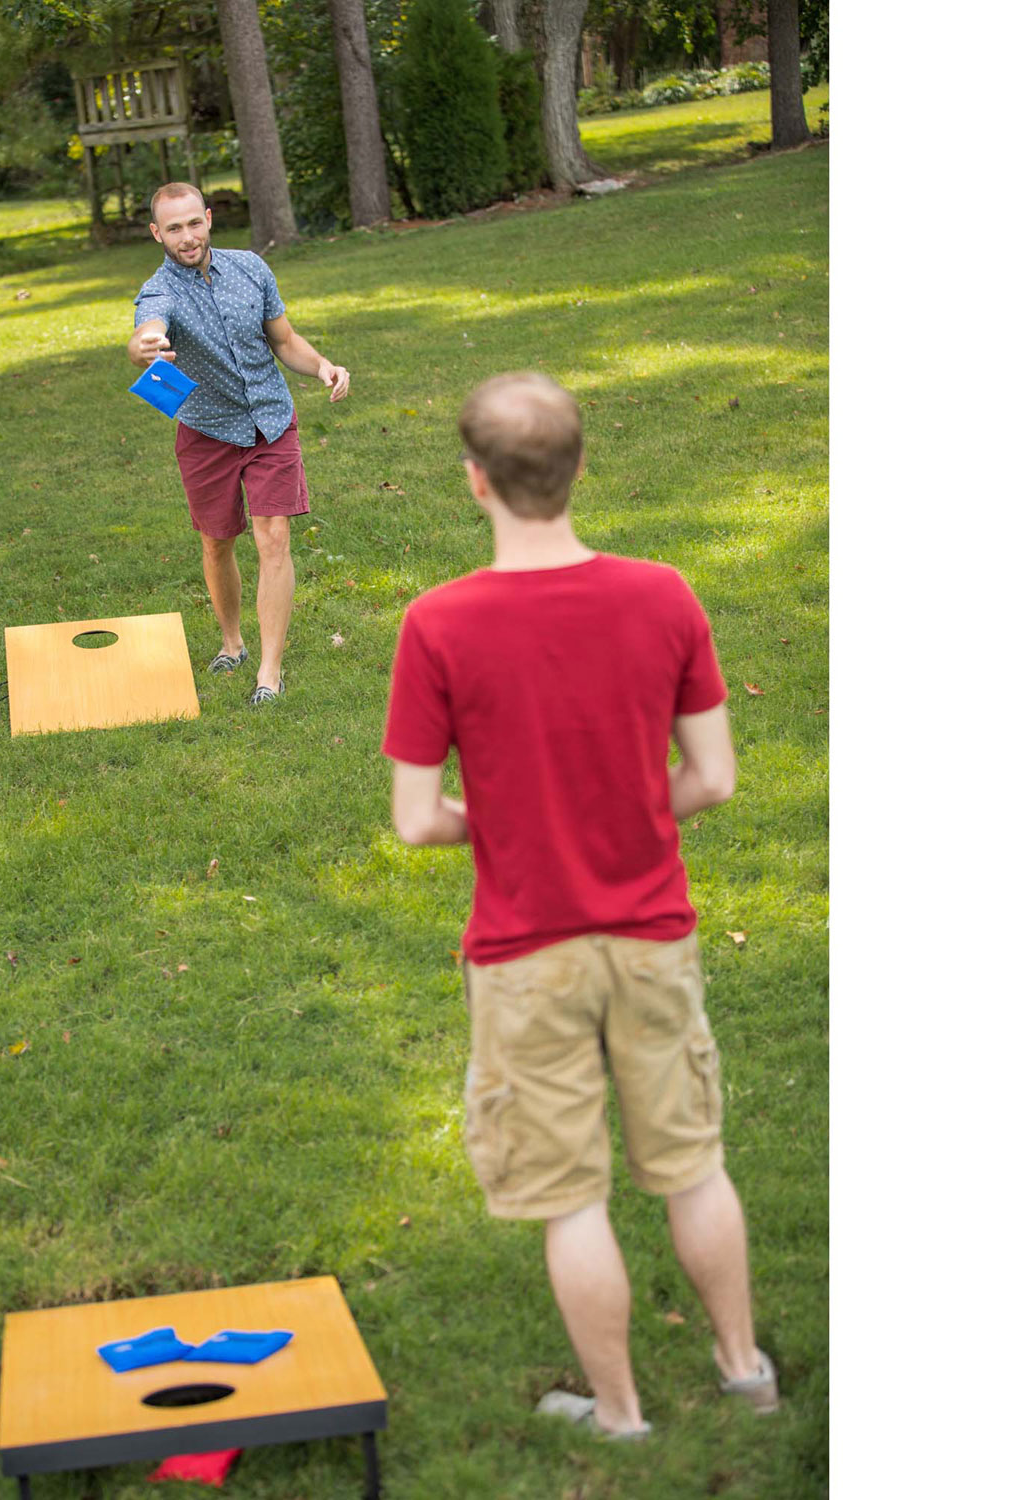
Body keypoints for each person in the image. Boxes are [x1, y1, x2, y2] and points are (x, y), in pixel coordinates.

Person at [381, 372, 777, 1438]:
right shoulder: (665, 595)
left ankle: (619, 1414)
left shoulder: (438, 624)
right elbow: (713, 778)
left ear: (475, 482)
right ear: (578, 467)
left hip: (524, 951)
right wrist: (631, 808)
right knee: (692, 1166)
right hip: (652, 935)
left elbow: (418, 819)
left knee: (572, 1197)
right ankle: (744, 1371)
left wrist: (509, 824)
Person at [127, 183, 350, 706]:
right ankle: (233, 641)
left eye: (194, 223)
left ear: (208, 218)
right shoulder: (159, 290)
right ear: (157, 233)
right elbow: (147, 330)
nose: (188, 237)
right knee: (217, 540)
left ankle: (269, 673)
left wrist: (322, 366)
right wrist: (145, 345)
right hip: (207, 431)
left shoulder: (251, 268)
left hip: (271, 421)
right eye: (174, 229)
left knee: (274, 539)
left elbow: (284, 340)